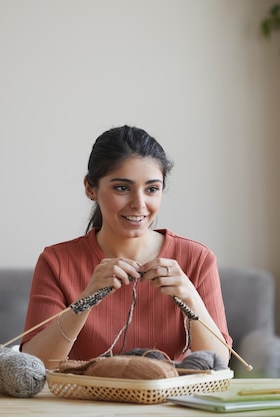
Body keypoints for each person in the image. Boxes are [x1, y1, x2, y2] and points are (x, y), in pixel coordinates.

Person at [21, 125, 232, 369]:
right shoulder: (56, 261)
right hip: (81, 404)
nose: (139, 204)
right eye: (122, 188)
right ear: (91, 188)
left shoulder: (197, 259)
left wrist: (190, 298)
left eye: (152, 189)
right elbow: (35, 364)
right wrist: (85, 301)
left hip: (171, 404)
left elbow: (219, 363)